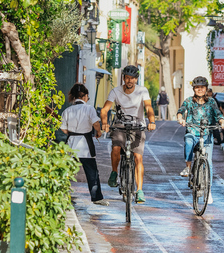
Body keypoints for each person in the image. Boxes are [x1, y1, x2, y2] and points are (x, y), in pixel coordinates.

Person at [100, 65, 156, 204]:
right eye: (127, 78)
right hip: (120, 126)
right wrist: (105, 123)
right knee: (116, 148)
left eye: (132, 78)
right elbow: (104, 109)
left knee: (138, 157)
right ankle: (114, 172)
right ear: (123, 78)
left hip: (138, 126)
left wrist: (152, 121)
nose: (129, 81)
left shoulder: (142, 91)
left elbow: (148, 107)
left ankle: (140, 191)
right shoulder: (116, 91)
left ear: (136, 79)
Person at [176, 76, 224, 204]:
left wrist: (222, 122)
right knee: (188, 141)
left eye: (202, 87)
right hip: (193, 132)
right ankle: (188, 167)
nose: (200, 90)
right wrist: (180, 118)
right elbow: (181, 110)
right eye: (197, 87)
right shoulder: (189, 101)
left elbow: (218, 113)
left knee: (208, 162)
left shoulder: (211, 102)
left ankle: (208, 191)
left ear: (206, 89)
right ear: (194, 89)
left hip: (207, 134)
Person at [61, 83, 108, 205]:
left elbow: (63, 129)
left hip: (70, 144)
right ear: (85, 96)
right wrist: (98, 132)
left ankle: (62, 195)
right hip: (85, 145)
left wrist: (72, 133)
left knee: (67, 171)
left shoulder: (67, 110)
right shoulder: (89, 109)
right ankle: (96, 198)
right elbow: (96, 124)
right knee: (92, 172)